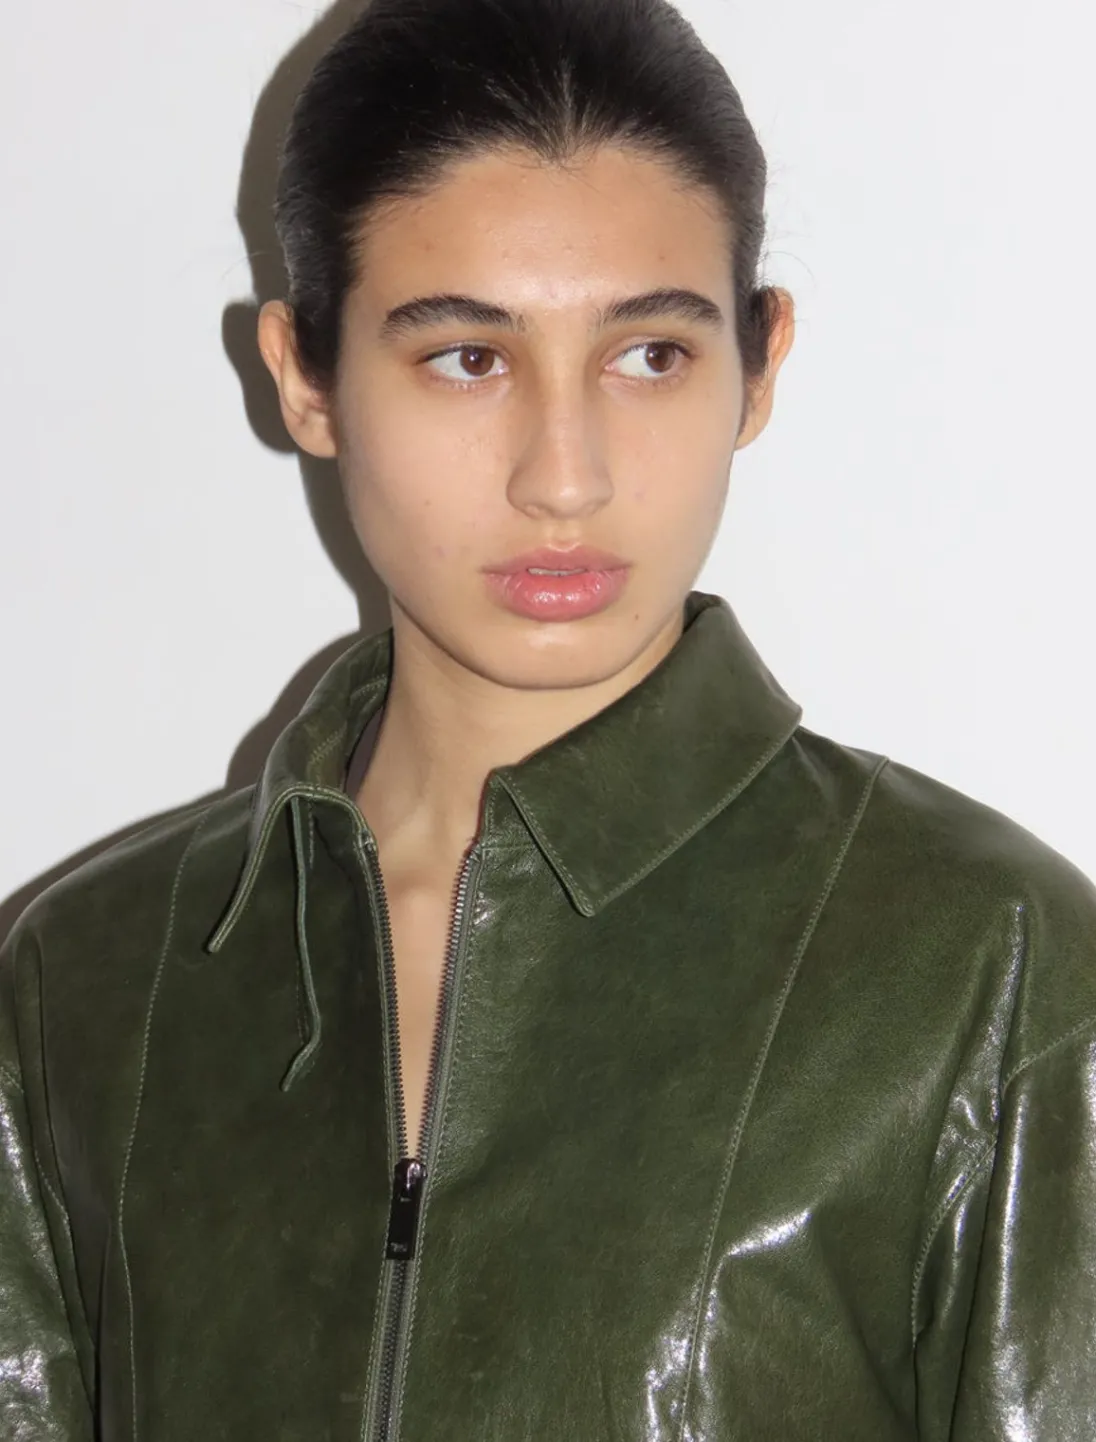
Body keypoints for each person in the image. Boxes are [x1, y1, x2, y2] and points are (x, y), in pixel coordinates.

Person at [2, 0, 1094, 1436]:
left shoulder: (992, 970)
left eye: (650, 355)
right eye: (468, 357)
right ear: (305, 378)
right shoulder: (87, 985)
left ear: (760, 365)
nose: (564, 476)